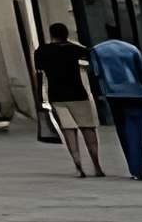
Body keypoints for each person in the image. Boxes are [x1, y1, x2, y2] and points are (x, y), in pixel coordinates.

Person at [34, 21, 101, 178]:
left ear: (51, 34)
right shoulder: (75, 49)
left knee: (68, 130)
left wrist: (41, 98)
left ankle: (78, 164)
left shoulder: (42, 51)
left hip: (57, 96)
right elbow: (89, 55)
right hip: (78, 94)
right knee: (88, 128)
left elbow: (39, 72)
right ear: (66, 34)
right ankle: (96, 165)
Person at [89, 26, 142, 182]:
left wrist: (99, 95)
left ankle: (132, 167)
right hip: (136, 93)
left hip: (113, 94)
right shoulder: (132, 49)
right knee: (136, 131)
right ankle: (139, 168)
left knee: (122, 130)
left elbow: (96, 73)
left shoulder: (97, 50)